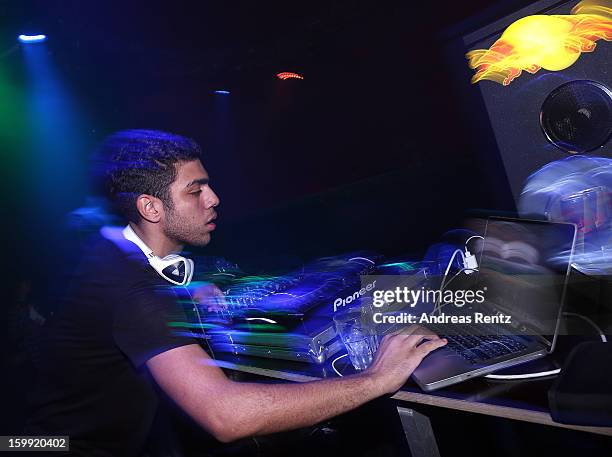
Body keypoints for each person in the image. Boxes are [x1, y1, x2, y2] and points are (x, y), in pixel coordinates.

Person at [25, 129, 446, 456]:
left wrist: (186, 291)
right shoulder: (135, 294)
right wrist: (375, 378)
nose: (213, 198)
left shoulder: (108, 245)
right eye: (195, 190)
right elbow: (225, 415)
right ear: (151, 208)